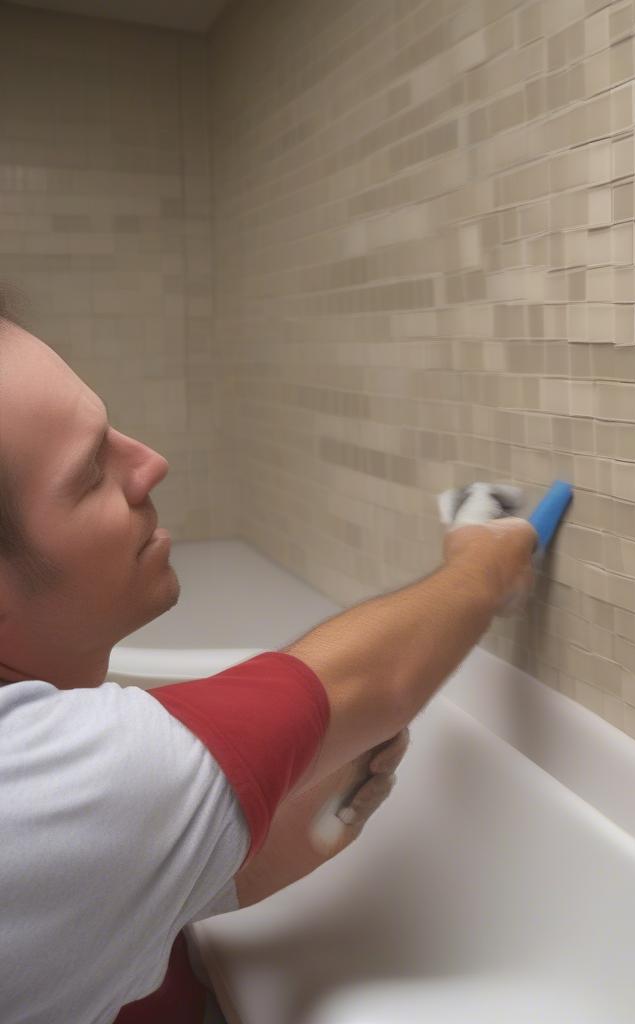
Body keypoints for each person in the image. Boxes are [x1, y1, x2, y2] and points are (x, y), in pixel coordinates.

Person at [0, 307, 538, 1023]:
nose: (150, 462)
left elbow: (82, 903)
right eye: (93, 470)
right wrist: (481, 564)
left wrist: (228, 840)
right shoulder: (37, 790)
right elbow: (369, 681)